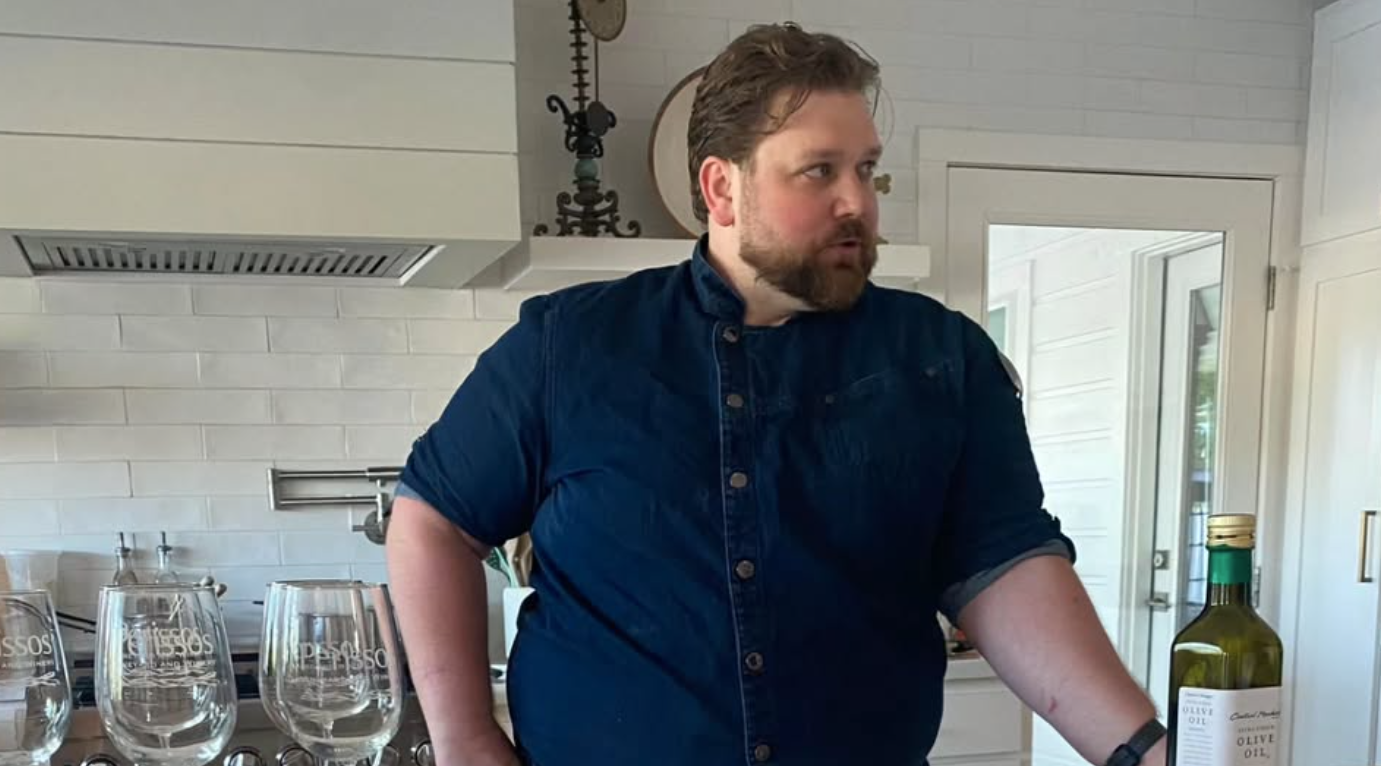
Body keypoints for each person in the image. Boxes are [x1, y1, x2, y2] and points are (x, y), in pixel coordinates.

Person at [387, 22, 1167, 766]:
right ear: (722, 188)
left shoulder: (942, 358)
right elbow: (432, 521)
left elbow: (1004, 570)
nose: (857, 202)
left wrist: (1141, 750)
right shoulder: (569, 346)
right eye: (819, 170)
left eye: (867, 169)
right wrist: (463, 740)